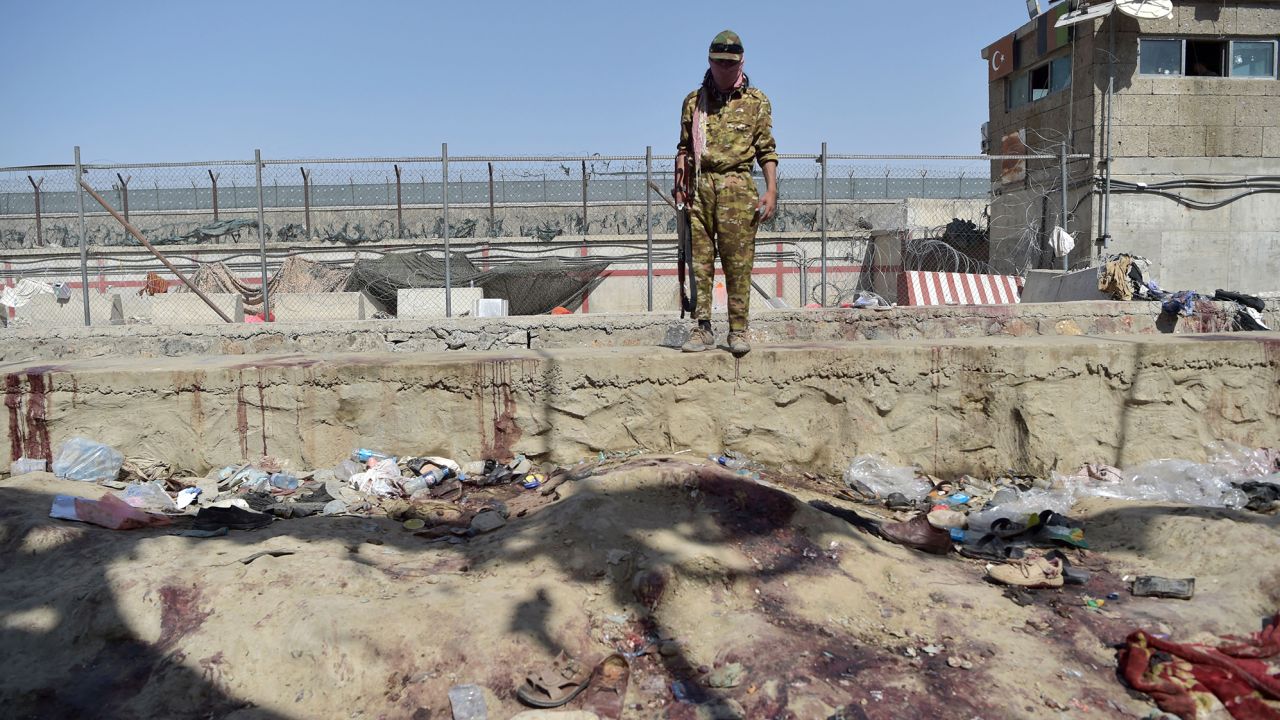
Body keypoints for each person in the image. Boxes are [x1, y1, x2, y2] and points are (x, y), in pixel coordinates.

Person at [675, 30, 778, 356]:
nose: (724, 69)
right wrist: (680, 185)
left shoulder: (756, 102)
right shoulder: (694, 102)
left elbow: (767, 151)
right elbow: (683, 147)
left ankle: (737, 330)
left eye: (730, 64)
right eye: (719, 63)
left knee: (738, 263)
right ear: (710, 61)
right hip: (701, 188)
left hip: (738, 186)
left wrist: (771, 189)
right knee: (700, 262)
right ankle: (702, 328)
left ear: (741, 62)